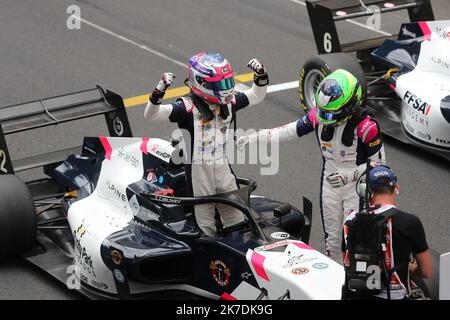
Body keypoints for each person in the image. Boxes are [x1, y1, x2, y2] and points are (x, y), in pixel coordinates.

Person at [236, 69, 385, 260]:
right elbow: (289, 131)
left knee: (354, 241)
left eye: (331, 113)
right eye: (323, 111)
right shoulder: (319, 116)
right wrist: (256, 137)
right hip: (329, 185)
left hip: (357, 189)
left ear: (350, 105)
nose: (324, 117)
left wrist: (349, 176)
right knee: (331, 242)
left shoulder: (367, 127)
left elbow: (380, 167)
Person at [144, 52, 269, 236]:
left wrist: (261, 76)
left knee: (237, 216)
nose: (226, 88)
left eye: (227, 82)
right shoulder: (187, 107)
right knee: (205, 223)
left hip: (222, 166)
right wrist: (159, 90)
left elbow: (257, 96)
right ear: (201, 82)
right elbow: (151, 115)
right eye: (220, 84)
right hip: (198, 172)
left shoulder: (230, 102)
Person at [342, 165, 432, 300]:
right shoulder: (410, 222)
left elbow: (347, 264)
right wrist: (410, 268)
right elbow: (426, 272)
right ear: (396, 188)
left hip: (357, 295)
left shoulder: (350, 220)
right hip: (394, 296)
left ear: (367, 191)